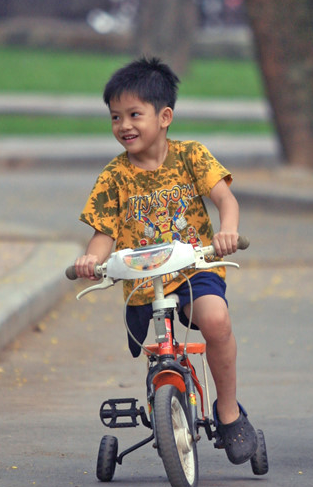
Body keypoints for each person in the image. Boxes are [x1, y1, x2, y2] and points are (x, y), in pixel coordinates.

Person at [73, 57, 259, 465]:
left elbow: (226, 199)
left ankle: (227, 412)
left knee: (216, 320)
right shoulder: (113, 176)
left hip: (195, 270)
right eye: (116, 117)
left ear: (165, 116)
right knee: (160, 351)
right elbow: (103, 232)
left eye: (135, 114)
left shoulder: (192, 156)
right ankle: (166, 406)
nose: (124, 125)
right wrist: (91, 259)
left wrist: (227, 230)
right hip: (144, 284)